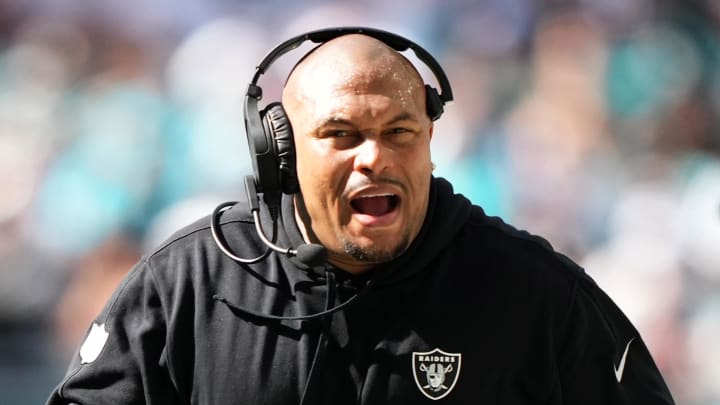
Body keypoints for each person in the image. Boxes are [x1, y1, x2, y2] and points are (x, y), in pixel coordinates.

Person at [46, 27, 675, 404]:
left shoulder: (538, 294)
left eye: (400, 130)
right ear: (281, 154)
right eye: (341, 134)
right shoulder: (186, 285)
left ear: (431, 140)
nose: (375, 156)